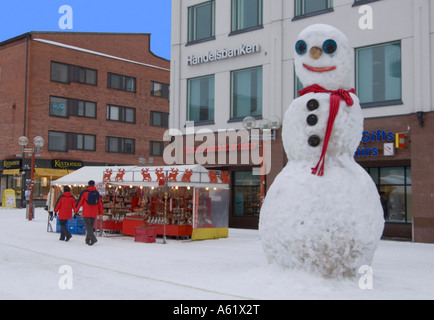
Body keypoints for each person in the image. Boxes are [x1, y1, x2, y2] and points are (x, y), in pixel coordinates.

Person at [75, 180, 103, 245]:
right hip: (94, 213)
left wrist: (76, 210)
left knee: (88, 227)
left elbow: (80, 202)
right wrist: (101, 212)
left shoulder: (85, 193)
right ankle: (87, 240)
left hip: (86, 212)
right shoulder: (97, 193)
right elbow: (100, 204)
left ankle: (93, 239)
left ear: (88, 184)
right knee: (90, 226)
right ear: (94, 185)